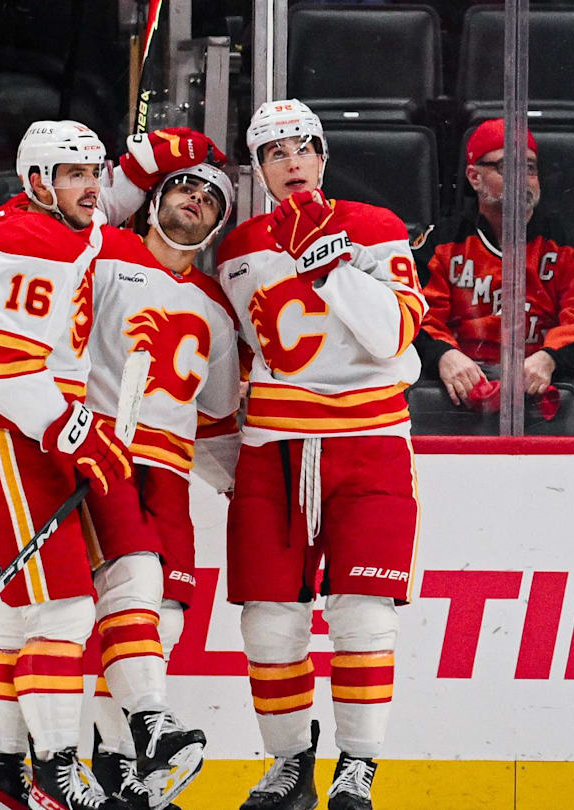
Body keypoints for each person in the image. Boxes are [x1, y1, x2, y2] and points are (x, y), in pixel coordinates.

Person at [0, 120, 215, 810]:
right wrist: (73, 428)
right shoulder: (31, 238)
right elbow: (4, 366)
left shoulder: (69, 226)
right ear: (38, 183)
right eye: (76, 175)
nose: (94, 189)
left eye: (97, 173)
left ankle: (6, 779)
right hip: (5, 432)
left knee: (31, 609)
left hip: (34, 431)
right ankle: (53, 773)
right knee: (59, 610)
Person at [214, 99, 427, 810]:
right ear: (260, 168)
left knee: (365, 613)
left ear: (323, 154)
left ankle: (358, 767)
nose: (293, 162)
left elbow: (393, 336)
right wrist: (225, 465)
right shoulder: (238, 249)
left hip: (368, 442)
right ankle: (288, 765)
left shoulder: (374, 227)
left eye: (304, 147)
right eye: (276, 153)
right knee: (269, 619)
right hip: (271, 447)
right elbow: (231, 364)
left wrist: (330, 265)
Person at [82, 161, 241, 810]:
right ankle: (147, 728)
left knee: (165, 618)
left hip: (171, 472)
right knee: (137, 586)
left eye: (210, 199)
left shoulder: (215, 306)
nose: (195, 200)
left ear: (216, 225)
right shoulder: (103, 253)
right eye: (183, 187)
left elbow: (219, 421)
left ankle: (117, 764)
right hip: (102, 453)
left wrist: (243, 489)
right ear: (153, 201)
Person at [412, 119, 574, 422]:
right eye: (507, 168)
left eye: (529, 168)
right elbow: (416, 315)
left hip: (540, 376)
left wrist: (550, 357)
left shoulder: (569, 245)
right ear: (474, 177)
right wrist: (442, 355)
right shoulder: (440, 243)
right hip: (462, 376)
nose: (523, 179)